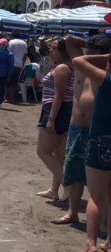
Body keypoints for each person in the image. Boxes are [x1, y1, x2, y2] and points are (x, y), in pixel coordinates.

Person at [55, 34, 111, 226]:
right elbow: (69, 39)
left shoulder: (104, 73)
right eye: (89, 54)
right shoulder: (80, 66)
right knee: (73, 172)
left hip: (96, 130)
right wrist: (93, 44)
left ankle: (102, 222)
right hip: (76, 126)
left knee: (100, 182)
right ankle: (72, 212)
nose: (90, 56)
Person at [72, 50, 111, 252]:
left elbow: (78, 60)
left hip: (101, 140)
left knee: (96, 196)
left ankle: (91, 243)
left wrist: (104, 56)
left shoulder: (106, 79)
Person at [34, 38, 74, 201]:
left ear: (63, 51)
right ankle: (54, 189)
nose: (50, 50)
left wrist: (51, 119)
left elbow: (59, 95)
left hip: (56, 110)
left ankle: (69, 186)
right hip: (64, 110)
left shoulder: (62, 68)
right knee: (58, 154)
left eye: (54, 48)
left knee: (43, 151)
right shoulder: (66, 66)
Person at [8, 33, 28, 103]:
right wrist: (22, 64)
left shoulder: (11, 42)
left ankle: (11, 98)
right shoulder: (24, 43)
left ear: (13, 36)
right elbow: (25, 55)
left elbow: (9, 53)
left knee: (11, 82)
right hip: (20, 65)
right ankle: (14, 97)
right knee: (16, 82)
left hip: (12, 64)